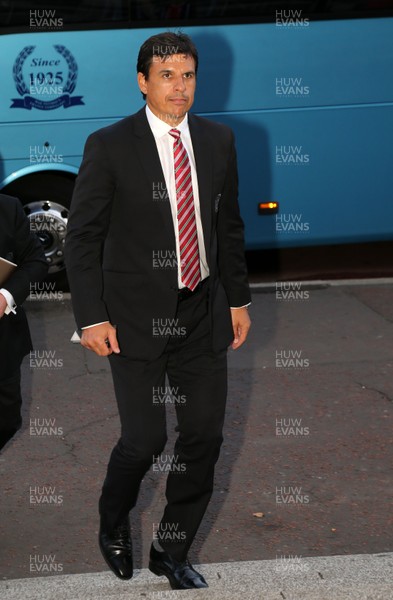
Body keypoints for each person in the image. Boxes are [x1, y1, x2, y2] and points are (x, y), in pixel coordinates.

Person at [65, 31, 251, 590]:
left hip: (201, 311)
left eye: (188, 74)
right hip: (133, 319)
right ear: (142, 81)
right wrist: (91, 316)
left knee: (204, 436)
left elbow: (228, 227)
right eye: (167, 75)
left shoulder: (219, 140)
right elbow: (82, 238)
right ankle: (113, 517)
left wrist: (237, 300)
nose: (179, 86)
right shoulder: (110, 144)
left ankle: (171, 551)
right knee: (144, 441)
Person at [0, 193, 48, 450]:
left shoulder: (8, 207)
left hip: (3, 343)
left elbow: (35, 260)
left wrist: (5, 297)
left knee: (7, 421)